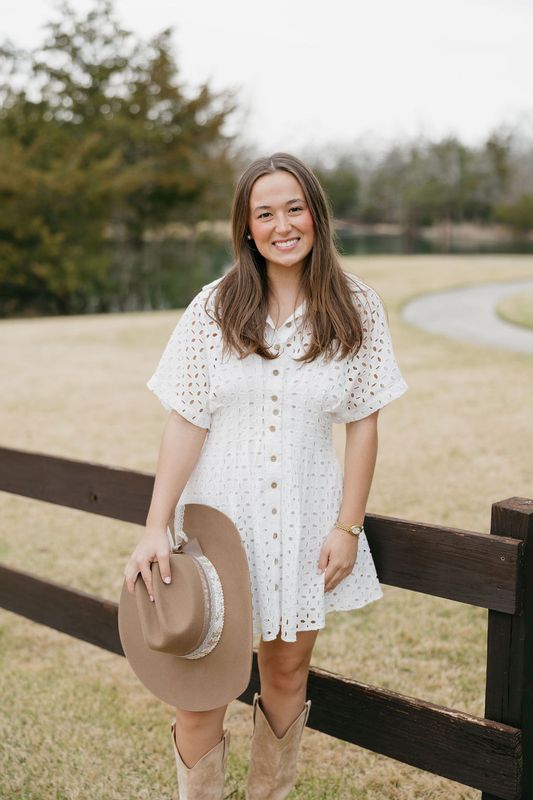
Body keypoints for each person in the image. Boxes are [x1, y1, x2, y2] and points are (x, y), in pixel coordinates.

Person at [123, 151, 408, 798]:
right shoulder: (213, 308)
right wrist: (153, 527)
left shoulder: (356, 307)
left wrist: (347, 527)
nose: (282, 224)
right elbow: (184, 420)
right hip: (217, 525)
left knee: (285, 673)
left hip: (306, 523)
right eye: (264, 213)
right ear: (245, 228)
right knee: (198, 692)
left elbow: (362, 423)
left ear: (315, 215)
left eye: (293, 208)